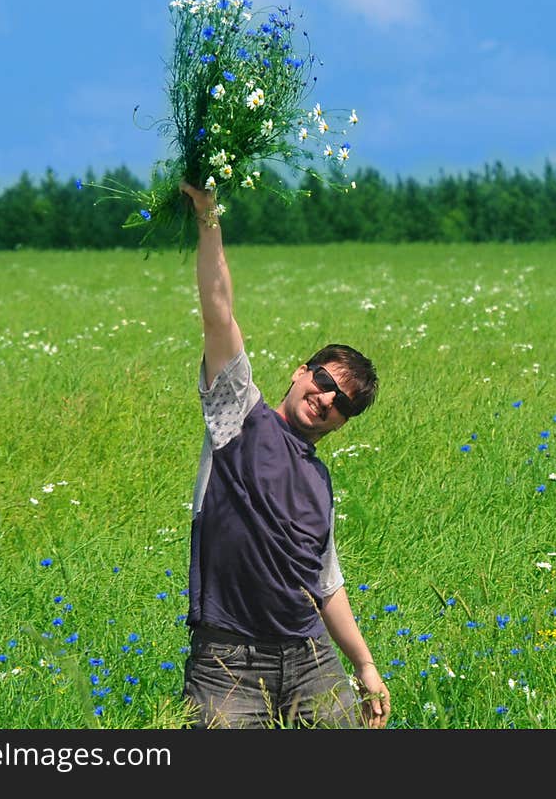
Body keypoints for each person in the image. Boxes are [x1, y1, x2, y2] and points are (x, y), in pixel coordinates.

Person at [177, 180, 391, 729]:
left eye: (342, 403)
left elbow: (326, 583)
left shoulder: (319, 483)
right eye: (323, 381)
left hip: (310, 658)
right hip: (228, 665)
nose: (326, 399)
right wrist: (208, 216)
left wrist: (364, 665)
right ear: (301, 371)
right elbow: (218, 314)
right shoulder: (236, 417)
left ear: (344, 422)